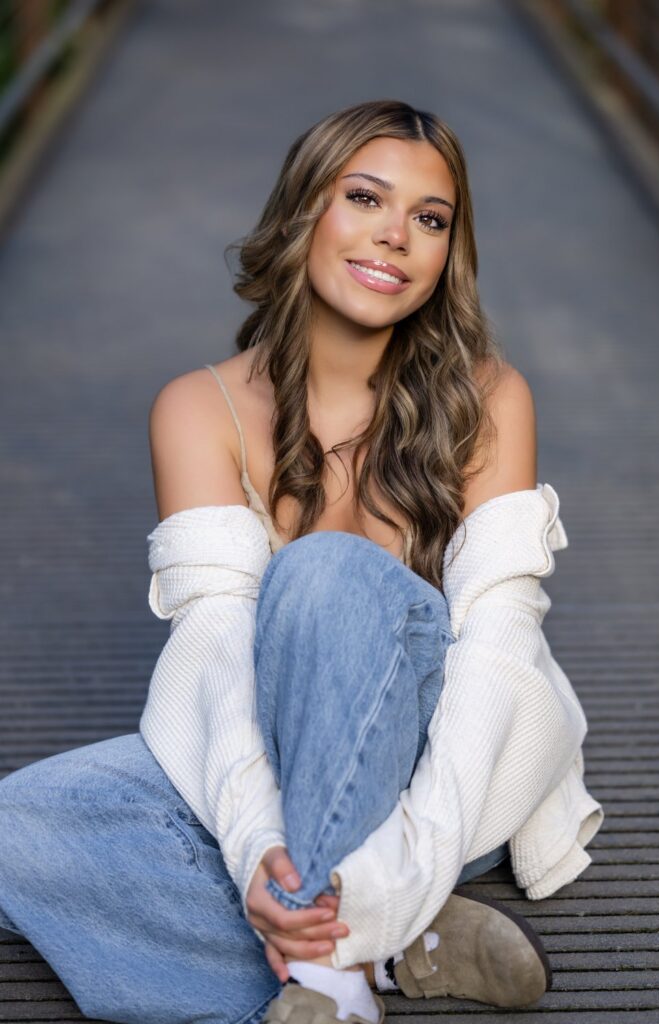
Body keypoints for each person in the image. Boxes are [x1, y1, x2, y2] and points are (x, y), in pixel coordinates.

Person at [0, 100, 602, 1024]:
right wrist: (252, 850)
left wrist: (398, 872)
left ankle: (335, 970)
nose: (395, 235)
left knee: (324, 573)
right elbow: (216, 654)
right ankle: (396, 949)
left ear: (448, 252)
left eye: (429, 218)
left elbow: (496, 660)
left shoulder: (488, 397)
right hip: (270, 761)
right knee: (16, 827)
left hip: (443, 781)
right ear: (303, 211)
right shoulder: (198, 408)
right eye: (364, 198)